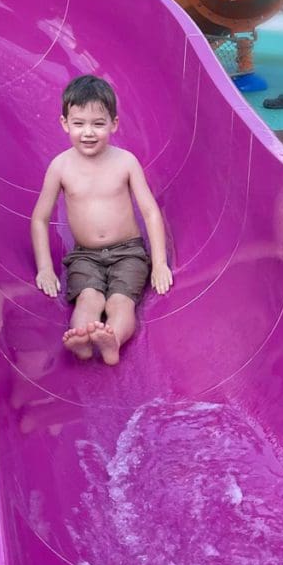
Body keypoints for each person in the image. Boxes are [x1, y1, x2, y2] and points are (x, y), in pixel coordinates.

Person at [31, 75, 173, 365]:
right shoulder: (60, 167)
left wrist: (159, 264)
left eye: (98, 123)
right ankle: (81, 337)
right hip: (85, 256)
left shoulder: (125, 162)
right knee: (88, 298)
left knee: (120, 301)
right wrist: (45, 268)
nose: (88, 132)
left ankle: (113, 340)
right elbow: (39, 218)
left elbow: (150, 212)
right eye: (79, 123)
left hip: (129, 252)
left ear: (114, 124)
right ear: (64, 124)